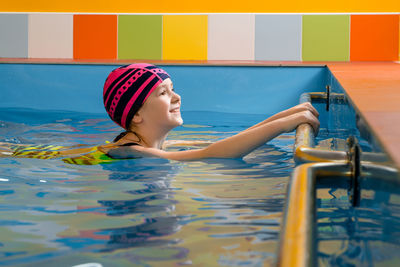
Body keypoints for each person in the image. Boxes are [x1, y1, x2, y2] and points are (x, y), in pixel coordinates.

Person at [99, 63, 320, 161]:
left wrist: (287, 115)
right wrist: (283, 125)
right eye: (163, 93)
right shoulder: (134, 151)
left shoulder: (155, 144)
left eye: (173, 89)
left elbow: (227, 142)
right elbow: (211, 153)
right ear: (136, 114)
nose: (177, 97)